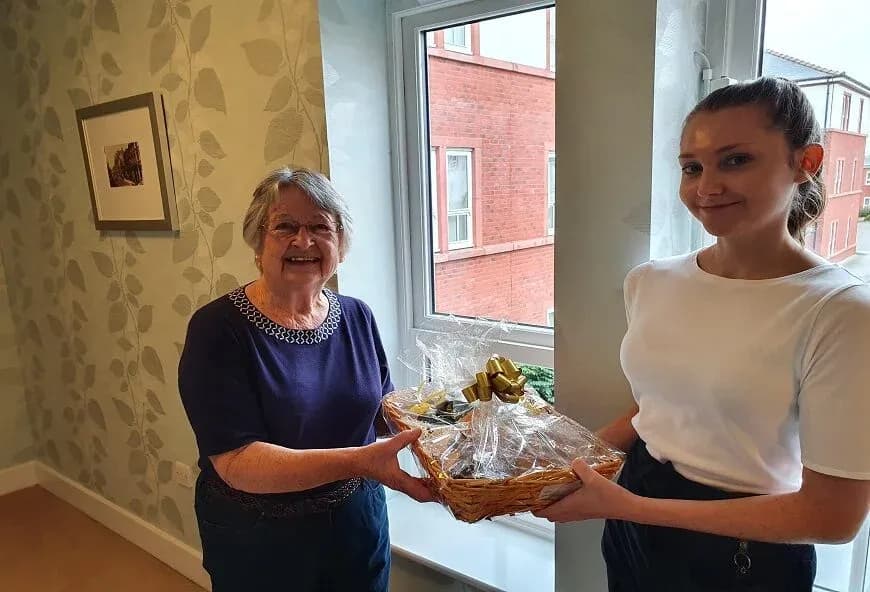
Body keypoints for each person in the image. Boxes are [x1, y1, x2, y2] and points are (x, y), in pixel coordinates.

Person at [535, 78, 870, 591]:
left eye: (736, 160)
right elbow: (660, 406)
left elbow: (832, 518)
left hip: (745, 553)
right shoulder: (649, 281)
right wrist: (574, 461)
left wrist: (636, 508)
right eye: (692, 167)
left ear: (807, 162)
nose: (706, 186)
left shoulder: (839, 310)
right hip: (636, 515)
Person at [178, 167, 434, 592]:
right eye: (285, 226)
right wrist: (359, 460)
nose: (304, 241)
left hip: (357, 523)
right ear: (258, 242)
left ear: (341, 245)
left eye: (320, 226)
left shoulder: (356, 315)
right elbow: (237, 463)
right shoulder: (217, 329)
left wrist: (448, 420)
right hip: (260, 539)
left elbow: (382, 409)